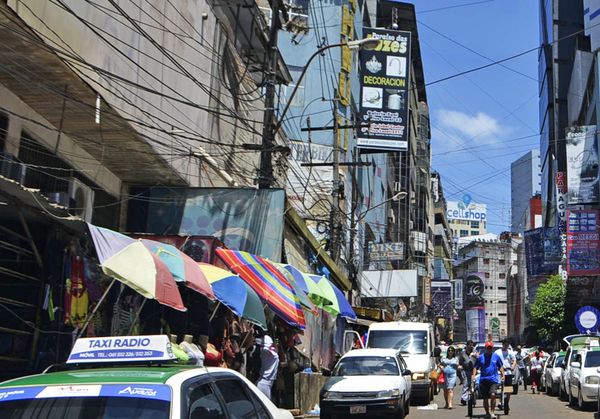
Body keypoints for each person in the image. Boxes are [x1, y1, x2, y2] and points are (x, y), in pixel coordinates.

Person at [473, 341, 505, 419]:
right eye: (488, 348)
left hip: (493, 379)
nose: (489, 349)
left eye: (490, 348)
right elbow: (475, 367)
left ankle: (492, 412)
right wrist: (473, 375)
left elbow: (500, 366)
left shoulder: (496, 357)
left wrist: (503, 374)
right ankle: (487, 412)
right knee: (485, 398)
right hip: (484, 379)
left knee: (493, 395)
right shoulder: (481, 357)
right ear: (486, 348)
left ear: (492, 349)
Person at [494, 339, 516, 410]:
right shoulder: (497, 352)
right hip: (499, 373)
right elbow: (494, 361)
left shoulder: (510, 352)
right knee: (500, 388)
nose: (506, 346)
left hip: (508, 372)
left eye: (507, 345)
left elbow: (514, 360)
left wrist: (513, 366)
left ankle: (506, 403)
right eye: (505, 345)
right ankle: (500, 402)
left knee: (508, 389)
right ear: (502, 344)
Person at [256, 335, 279, 400]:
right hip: (264, 383)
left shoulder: (267, 352)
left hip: (267, 382)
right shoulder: (273, 355)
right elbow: (271, 351)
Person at [459, 340, 478, 406]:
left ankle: (473, 398)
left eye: (472, 345)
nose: (471, 346)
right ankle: (464, 399)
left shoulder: (475, 352)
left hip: (473, 371)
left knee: (473, 384)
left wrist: (475, 356)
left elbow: (479, 359)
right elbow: (460, 361)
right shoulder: (463, 353)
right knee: (466, 384)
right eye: (470, 345)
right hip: (465, 370)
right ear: (467, 346)